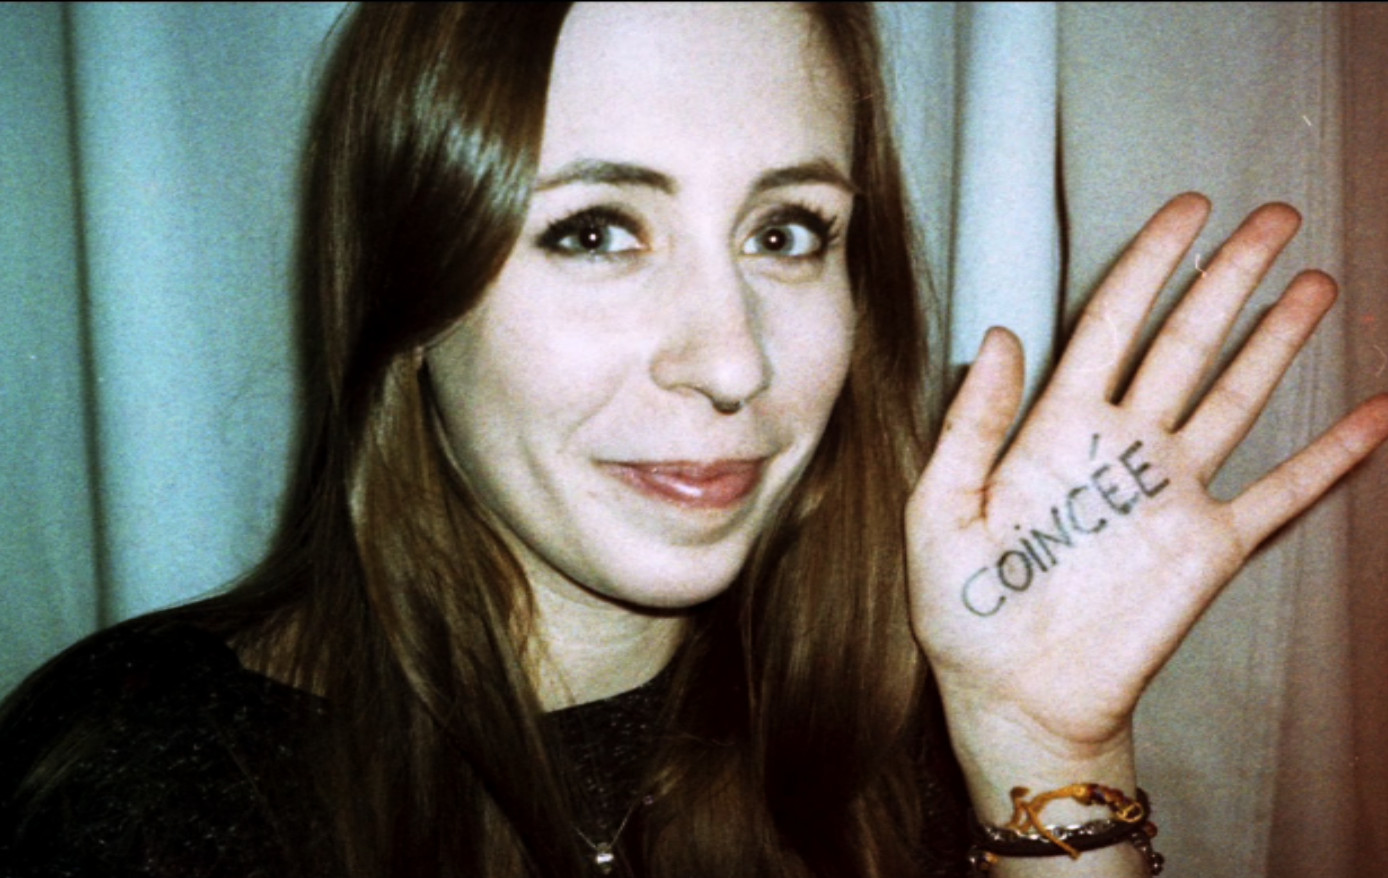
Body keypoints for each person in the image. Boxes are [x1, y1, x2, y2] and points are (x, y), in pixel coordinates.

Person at [2, 4, 1385, 877]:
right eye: (596, 230)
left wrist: (1042, 745)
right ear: (409, 293)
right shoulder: (131, 787)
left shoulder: (910, 710)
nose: (733, 361)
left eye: (787, 232)